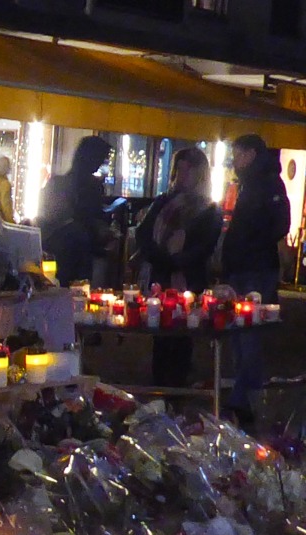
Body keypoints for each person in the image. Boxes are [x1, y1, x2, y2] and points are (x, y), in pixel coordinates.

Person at [134, 147, 223, 388]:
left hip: (188, 279)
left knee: (183, 335)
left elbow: (204, 247)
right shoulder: (164, 201)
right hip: (160, 277)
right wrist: (159, 257)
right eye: (179, 169)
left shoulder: (210, 210)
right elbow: (143, 234)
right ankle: (159, 385)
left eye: (188, 169)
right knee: (160, 335)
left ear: (200, 174)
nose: (182, 175)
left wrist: (176, 261)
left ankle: (177, 387)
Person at [220, 133, 291, 419]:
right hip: (246, 265)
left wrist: (249, 243)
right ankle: (244, 393)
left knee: (247, 332)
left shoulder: (265, 183)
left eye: (238, 154)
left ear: (250, 153)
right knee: (241, 332)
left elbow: (279, 224)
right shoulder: (254, 183)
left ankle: (246, 396)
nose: (235, 160)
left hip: (255, 267)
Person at [37, 135, 113, 284]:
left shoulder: (57, 183)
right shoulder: (92, 186)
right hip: (79, 251)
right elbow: (92, 220)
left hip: (55, 250)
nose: (100, 164)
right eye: (101, 159)